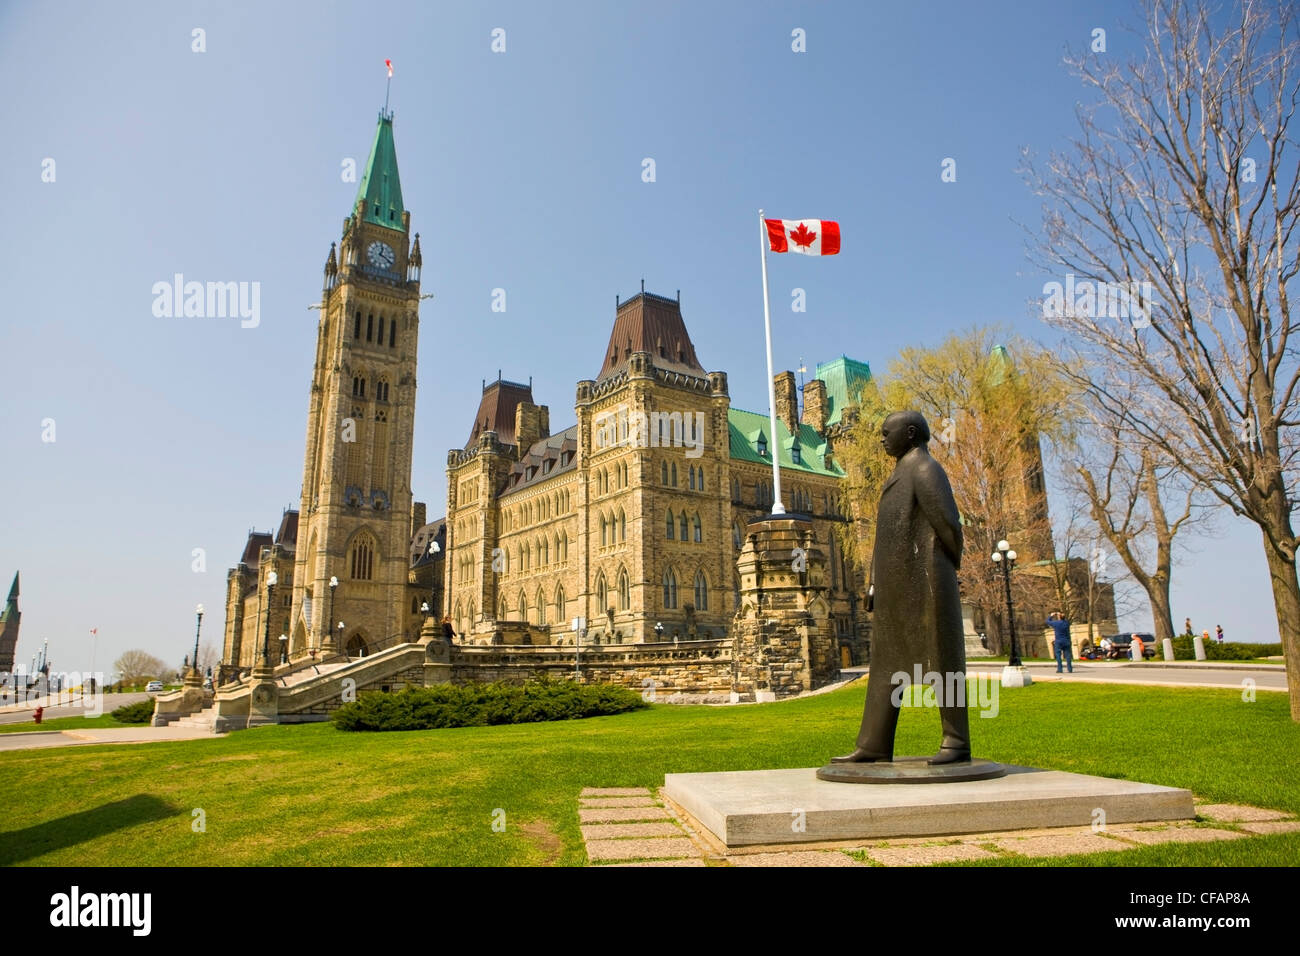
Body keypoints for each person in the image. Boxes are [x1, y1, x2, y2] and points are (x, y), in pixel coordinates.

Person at [832, 411, 969, 766]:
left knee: (941, 660)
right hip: (895, 587)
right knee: (886, 666)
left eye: (885, 433)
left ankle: (955, 740)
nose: (880, 439)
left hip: (925, 582)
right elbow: (884, 538)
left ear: (910, 433)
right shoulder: (898, 473)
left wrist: (944, 567)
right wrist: (875, 581)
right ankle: (874, 743)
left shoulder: (925, 469)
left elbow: (949, 524)